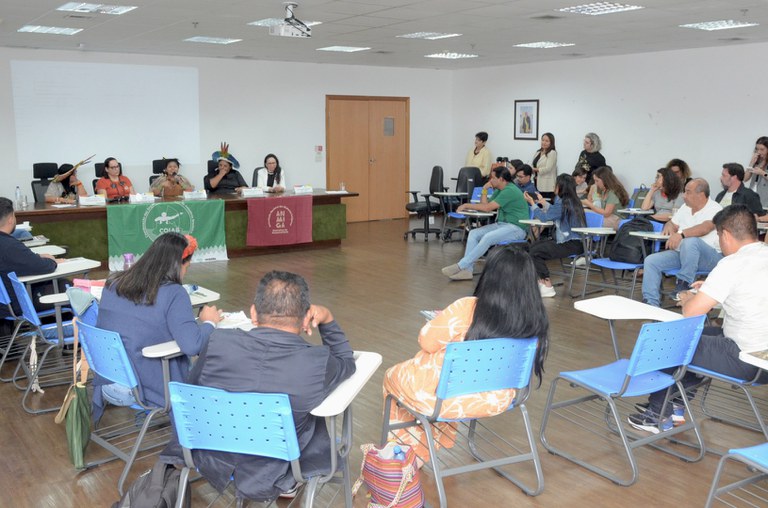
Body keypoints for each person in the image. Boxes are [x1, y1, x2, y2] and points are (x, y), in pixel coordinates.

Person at [167, 271, 356, 501]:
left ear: (253, 313)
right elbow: (346, 360)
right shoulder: (317, 362)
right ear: (307, 317)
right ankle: (288, 488)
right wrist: (327, 319)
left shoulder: (217, 342)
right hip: (281, 467)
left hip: (213, 456)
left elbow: (193, 391)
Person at [385, 247, 549, 458]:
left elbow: (426, 342)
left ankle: (411, 454)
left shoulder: (467, 308)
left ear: (490, 276)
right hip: (500, 397)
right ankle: (424, 448)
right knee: (439, 378)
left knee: (394, 376)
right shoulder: (535, 316)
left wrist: (441, 321)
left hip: (447, 399)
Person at [629, 204, 768, 433]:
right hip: (762, 357)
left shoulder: (732, 264)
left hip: (745, 359)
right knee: (697, 338)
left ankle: (656, 414)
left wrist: (686, 298)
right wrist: (711, 288)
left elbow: (692, 312)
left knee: (675, 341)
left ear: (725, 235)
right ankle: (674, 407)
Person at [95, 232, 221, 418]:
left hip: (107, 380)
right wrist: (210, 322)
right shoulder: (174, 293)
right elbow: (192, 345)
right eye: (187, 267)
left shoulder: (114, 283)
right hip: (141, 388)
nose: (185, 273)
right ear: (179, 265)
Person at [641, 178, 723, 307]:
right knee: (651, 261)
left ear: (701, 195)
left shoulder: (715, 208)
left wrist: (681, 234)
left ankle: (684, 283)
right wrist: (669, 226)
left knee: (690, 241)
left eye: (688, 192)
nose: (684, 196)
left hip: (709, 258)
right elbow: (672, 223)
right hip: (684, 255)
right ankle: (651, 303)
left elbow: (705, 227)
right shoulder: (685, 207)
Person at [441, 166, 529, 281]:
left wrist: (467, 205)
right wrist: (484, 189)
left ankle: (461, 266)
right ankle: (468, 271)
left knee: (488, 237)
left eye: (493, 178)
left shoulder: (510, 190)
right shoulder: (499, 190)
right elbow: (484, 206)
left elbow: (487, 208)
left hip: (517, 228)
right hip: (502, 225)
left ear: (501, 179)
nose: (490, 180)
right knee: (473, 233)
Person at [0, 197, 65, 325]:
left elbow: (21, 260)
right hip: (14, 305)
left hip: (3, 302)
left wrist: (36, 256)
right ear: (10, 219)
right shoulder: (10, 246)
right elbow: (45, 267)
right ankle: (58, 336)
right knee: (63, 286)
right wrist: (51, 260)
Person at [524, 174, 586, 298]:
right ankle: (541, 281)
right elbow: (555, 212)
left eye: (556, 184)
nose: (554, 187)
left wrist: (533, 204)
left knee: (536, 251)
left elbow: (545, 218)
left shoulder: (563, 202)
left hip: (571, 243)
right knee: (532, 247)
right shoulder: (570, 200)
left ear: (561, 187)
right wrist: (542, 202)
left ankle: (547, 285)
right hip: (573, 242)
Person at [581, 165, 629, 230]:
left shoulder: (613, 192)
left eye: (597, 181)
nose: (595, 183)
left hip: (616, 219)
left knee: (589, 219)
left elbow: (606, 213)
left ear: (604, 180)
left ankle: (588, 239)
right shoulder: (604, 190)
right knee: (582, 212)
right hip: (607, 217)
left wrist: (590, 205)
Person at [532, 132, 558, 200]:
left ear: (551, 142)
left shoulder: (552, 153)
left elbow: (548, 168)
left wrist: (535, 169)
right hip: (537, 182)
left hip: (547, 185)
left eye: (547, 141)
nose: (544, 142)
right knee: (538, 203)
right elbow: (534, 164)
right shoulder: (538, 152)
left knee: (546, 205)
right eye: (543, 140)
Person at [744, 136, 768, 205]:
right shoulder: (757, 161)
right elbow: (745, 178)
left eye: (762, 149)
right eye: (757, 149)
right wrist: (751, 163)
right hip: (753, 196)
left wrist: (762, 173)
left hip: (765, 200)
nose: (759, 152)